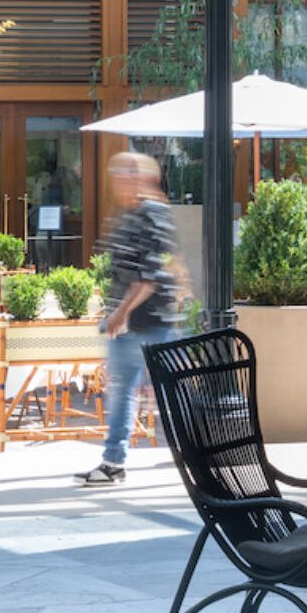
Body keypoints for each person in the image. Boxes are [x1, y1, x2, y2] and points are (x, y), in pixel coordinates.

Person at [75, 151, 185, 487]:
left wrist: (119, 314)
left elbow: (148, 276)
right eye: (119, 173)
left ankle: (198, 456)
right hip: (130, 325)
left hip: (151, 322)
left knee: (170, 395)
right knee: (124, 391)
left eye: (129, 173)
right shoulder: (127, 215)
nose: (122, 178)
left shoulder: (152, 214)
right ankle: (113, 463)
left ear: (144, 177)